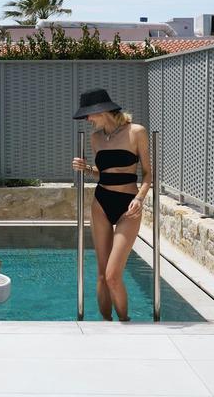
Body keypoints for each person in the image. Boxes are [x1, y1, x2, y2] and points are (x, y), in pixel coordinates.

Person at [71, 88, 151, 321]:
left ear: (102, 111)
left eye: (89, 114)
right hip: (101, 203)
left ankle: (125, 323)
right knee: (101, 276)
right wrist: (86, 168)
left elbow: (148, 174)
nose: (87, 119)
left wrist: (140, 198)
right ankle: (106, 325)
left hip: (129, 205)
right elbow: (104, 173)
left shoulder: (137, 132)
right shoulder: (96, 138)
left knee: (113, 275)